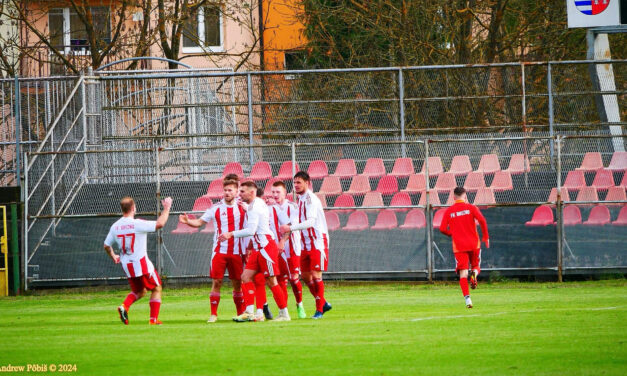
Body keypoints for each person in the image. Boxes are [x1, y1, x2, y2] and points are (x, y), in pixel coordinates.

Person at [219, 181, 290, 322]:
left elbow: (251, 230)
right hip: (258, 247)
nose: (240, 194)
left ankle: (284, 313)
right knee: (245, 276)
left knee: (271, 281)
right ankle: (250, 312)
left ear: (252, 192)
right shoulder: (256, 203)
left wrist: (230, 234)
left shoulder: (254, 207)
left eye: (243, 192)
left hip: (266, 247)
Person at [178, 179, 246, 323]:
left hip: (237, 251)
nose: (227, 193)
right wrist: (188, 221)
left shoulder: (243, 207)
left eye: (230, 190)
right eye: (225, 190)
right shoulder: (215, 208)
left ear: (236, 191)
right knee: (217, 282)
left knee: (237, 283)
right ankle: (213, 314)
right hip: (219, 251)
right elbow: (199, 222)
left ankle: (240, 313)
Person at [104, 196, 172, 325]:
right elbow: (160, 223)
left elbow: (106, 245)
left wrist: (114, 256)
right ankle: (153, 320)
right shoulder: (137, 223)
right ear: (133, 208)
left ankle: (124, 306)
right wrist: (167, 208)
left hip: (127, 265)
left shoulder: (115, 226)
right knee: (157, 288)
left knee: (140, 291)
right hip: (141, 264)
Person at [280, 171, 332, 319]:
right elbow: (297, 221)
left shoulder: (311, 199)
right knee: (305, 275)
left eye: (299, 182)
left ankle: (319, 310)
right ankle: (323, 302)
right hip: (305, 242)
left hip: (317, 241)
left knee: (316, 275)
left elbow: (311, 222)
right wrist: (287, 228)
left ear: (307, 183)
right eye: (294, 183)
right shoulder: (300, 200)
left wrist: (289, 228)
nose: (296, 185)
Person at [439, 187, 490, 308]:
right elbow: (482, 220)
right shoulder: (471, 208)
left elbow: (442, 228)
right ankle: (475, 275)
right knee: (476, 266)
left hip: (459, 245)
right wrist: (486, 237)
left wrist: (452, 234)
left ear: (454, 197)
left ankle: (468, 300)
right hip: (474, 243)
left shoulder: (449, 211)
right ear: (465, 196)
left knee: (463, 273)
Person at [269, 180, 306, 319]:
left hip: (292, 248)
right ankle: (284, 311)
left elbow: (291, 226)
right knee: (280, 280)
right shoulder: (269, 208)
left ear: (285, 193)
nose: (275, 194)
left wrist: (283, 241)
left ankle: (299, 304)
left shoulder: (293, 207)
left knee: (294, 279)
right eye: (273, 192)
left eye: (278, 192)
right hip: (277, 250)